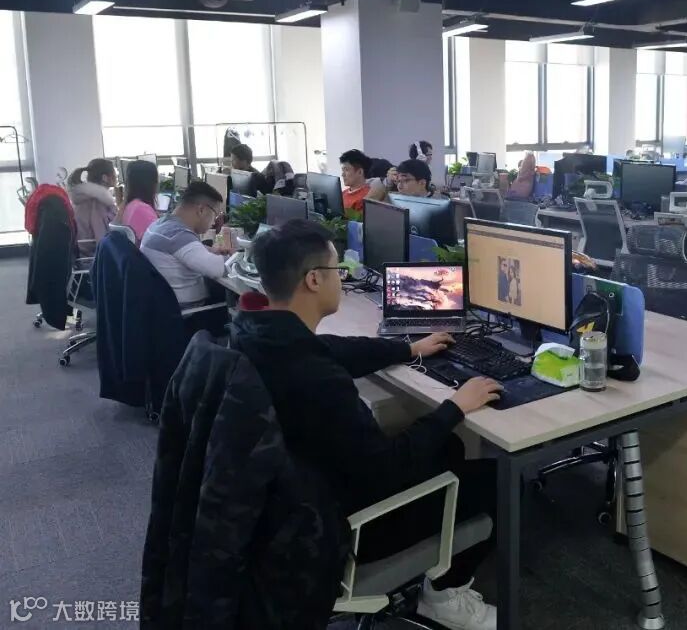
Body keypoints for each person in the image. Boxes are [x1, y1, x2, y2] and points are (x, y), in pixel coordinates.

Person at [232, 219, 502, 629]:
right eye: (337, 270)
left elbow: (332, 348)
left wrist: (407, 348)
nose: (342, 279)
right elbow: (386, 467)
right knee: (495, 479)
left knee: (449, 446)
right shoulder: (318, 381)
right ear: (314, 280)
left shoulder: (257, 333)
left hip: (289, 506)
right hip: (344, 527)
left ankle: (438, 570)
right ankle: (444, 598)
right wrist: (454, 407)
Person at [141, 181, 230, 308]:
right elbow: (219, 269)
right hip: (190, 312)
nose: (213, 223)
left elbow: (181, 250)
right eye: (215, 215)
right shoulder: (178, 235)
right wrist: (237, 259)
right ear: (201, 210)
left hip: (162, 304)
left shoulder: (160, 224)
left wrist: (210, 250)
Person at [68, 158, 118, 253]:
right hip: (93, 256)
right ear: (105, 178)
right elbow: (101, 236)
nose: (116, 176)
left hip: (83, 253)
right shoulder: (97, 201)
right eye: (114, 173)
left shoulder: (87, 197)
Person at [118, 159, 159, 243]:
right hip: (145, 250)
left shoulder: (130, 205)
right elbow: (160, 240)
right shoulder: (142, 209)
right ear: (150, 183)